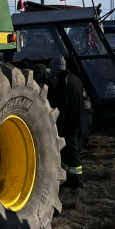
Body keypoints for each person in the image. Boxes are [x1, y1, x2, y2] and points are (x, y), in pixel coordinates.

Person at [45, 56, 85, 190]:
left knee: (72, 153)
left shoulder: (64, 83)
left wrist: (59, 126)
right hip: (79, 120)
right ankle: (70, 178)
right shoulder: (76, 80)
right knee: (70, 152)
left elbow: (63, 106)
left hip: (70, 124)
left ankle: (77, 182)